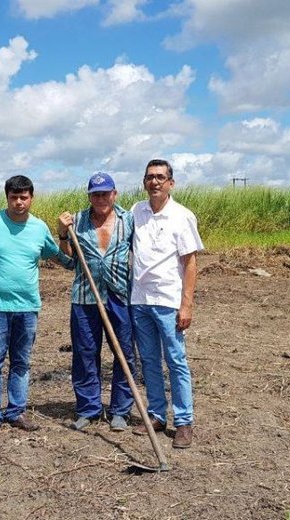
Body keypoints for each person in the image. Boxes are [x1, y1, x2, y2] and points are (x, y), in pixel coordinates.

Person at [0, 175, 70, 437]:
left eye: (24, 197)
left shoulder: (38, 227)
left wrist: (65, 237)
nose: (19, 202)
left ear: (31, 198)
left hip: (27, 308)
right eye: (14, 197)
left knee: (22, 362)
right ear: (7, 198)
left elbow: (61, 257)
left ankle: (16, 412)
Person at [130, 159, 203, 449]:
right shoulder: (137, 211)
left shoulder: (182, 216)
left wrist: (186, 305)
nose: (155, 182)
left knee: (175, 360)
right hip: (139, 300)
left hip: (168, 301)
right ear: (144, 182)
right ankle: (157, 414)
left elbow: (190, 262)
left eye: (161, 177)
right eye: (150, 177)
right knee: (148, 360)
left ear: (171, 183)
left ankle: (184, 421)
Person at [56, 172, 137, 432]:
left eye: (105, 193)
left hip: (119, 295)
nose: (100, 198)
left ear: (115, 194)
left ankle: (120, 411)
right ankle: (88, 408)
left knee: (124, 353)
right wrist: (63, 235)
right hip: (85, 296)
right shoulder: (76, 221)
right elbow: (69, 260)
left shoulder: (129, 220)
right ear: (89, 196)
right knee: (85, 353)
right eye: (95, 194)